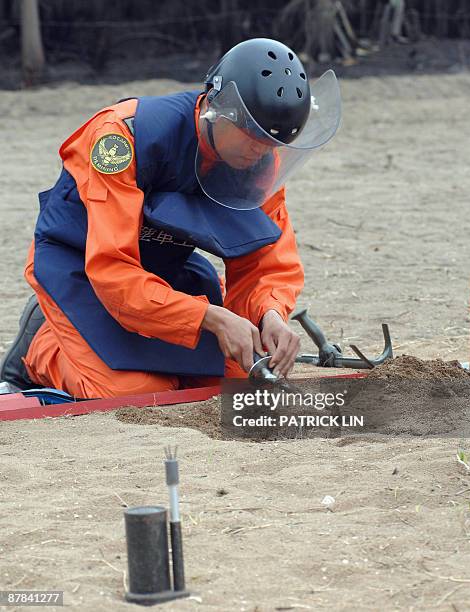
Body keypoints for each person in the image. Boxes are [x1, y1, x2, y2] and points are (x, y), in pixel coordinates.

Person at [0, 38, 341, 399]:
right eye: (251, 135)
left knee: (232, 382)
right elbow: (112, 272)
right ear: (216, 106)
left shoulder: (261, 160)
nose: (260, 151)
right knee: (133, 393)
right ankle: (39, 348)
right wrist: (211, 317)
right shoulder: (121, 138)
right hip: (83, 270)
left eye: (273, 143)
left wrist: (269, 314)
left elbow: (267, 261)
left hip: (163, 271)